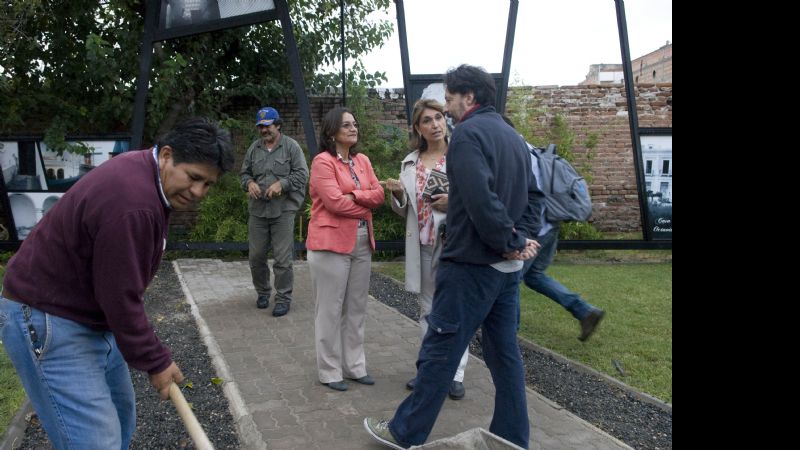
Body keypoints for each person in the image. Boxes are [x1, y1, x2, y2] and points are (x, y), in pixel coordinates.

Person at [0, 117, 234, 449]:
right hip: (48, 317)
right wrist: (156, 360)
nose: (198, 192)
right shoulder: (134, 203)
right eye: (194, 177)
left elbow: (119, 287)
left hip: (88, 316)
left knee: (121, 421)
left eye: (208, 184)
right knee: (95, 442)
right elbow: (120, 296)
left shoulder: (148, 180)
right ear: (166, 155)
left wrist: (151, 353)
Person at [364, 64, 543, 449]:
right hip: (506, 269)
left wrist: (510, 238)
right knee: (505, 357)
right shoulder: (513, 136)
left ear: (469, 97)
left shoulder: (468, 136)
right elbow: (534, 196)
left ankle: (403, 432)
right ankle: (512, 438)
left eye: (448, 99)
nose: (446, 109)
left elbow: (480, 200)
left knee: (439, 351)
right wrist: (520, 238)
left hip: (471, 267)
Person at [381, 98, 468, 400]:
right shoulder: (411, 161)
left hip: (454, 244)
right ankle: (429, 371)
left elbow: (480, 196)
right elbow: (406, 210)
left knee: (454, 310)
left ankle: (455, 374)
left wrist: (453, 202)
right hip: (422, 246)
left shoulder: (461, 155)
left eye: (439, 117)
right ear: (418, 128)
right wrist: (396, 196)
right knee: (427, 311)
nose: (435, 125)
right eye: (427, 121)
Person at [503, 116, 605, 341]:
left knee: (511, 281)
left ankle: (509, 334)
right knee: (535, 275)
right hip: (550, 225)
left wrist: (520, 236)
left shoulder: (518, 154)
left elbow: (524, 197)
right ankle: (584, 311)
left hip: (533, 231)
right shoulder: (533, 151)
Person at [306, 107, 385, 391]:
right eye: (346, 125)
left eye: (355, 124)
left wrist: (355, 195)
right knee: (329, 310)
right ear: (331, 131)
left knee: (356, 308)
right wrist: (363, 203)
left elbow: (379, 195)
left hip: (362, 242)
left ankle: (354, 366)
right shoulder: (322, 162)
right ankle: (329, 371)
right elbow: (333, 203)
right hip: (330, 245)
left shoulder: (362, 160)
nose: (353, 128)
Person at [240, 106, 309, 317]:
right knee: (256, 257)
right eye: (260, 127)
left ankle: (283, 299)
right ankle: (262, 292)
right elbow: (244, 174)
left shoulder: (291, 147)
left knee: (282, 259)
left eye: (267, 126)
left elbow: (302, 174)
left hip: (283, 210)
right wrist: (249, 182)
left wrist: (283, 184)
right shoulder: (254, 148)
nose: (264, 130)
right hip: (258, 211)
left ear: (278, 125)